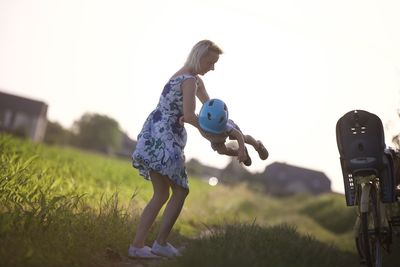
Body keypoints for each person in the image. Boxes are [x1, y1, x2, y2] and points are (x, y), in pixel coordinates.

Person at [128, 40, 223, 259]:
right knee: (180, 190)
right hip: (164, 139)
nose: (213, 67)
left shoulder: (193, 79)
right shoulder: (189, 80)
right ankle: (159, 243)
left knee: (161, 194)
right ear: (199, 58)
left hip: (155, 134)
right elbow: (190, 116)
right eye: (211, 62)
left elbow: (209, 109)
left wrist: (223, 128)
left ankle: (138, 246)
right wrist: (211, 136)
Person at [196, 98, 269, 167]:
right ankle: (240, 153)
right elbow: (189, 117)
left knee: (244, 138)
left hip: (225, 133)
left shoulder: (228, 127)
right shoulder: (201, 120)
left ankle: (258, 145)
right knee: (221, 151)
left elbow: (239, 136)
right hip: (216, 138)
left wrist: (242, 148)